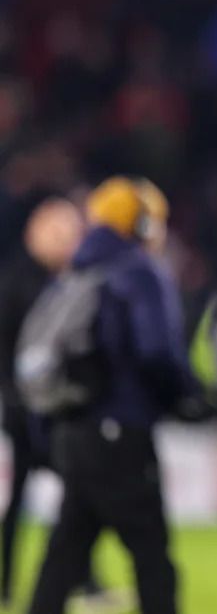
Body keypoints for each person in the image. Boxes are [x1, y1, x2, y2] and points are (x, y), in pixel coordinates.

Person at [27, 177, 206, 614]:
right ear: (143, 223)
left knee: (65, 554)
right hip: (121, 430)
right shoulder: (140, 271)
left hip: (74, 430)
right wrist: (191, 397)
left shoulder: (75, 271)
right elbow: (156, 353)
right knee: (152, 559)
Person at [0, 196, 85, 607]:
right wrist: (14, 397)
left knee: (77, 498)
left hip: (53, 410)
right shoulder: (22, 281)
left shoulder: (64, 282)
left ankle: (77, 581)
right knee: (31, 500)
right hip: (25, 410)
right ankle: (9, 582)